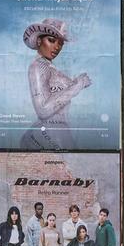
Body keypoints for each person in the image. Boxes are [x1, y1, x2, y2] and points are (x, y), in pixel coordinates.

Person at [20, 19, 91, 150]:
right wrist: (78, 85)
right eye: (52, 40)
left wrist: (77, 83)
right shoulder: (38, 66)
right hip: (48, 133)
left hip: (59, 132)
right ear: (39, 41)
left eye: (61, 43)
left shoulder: (50, 67)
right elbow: (43, 110)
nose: (57, 47)